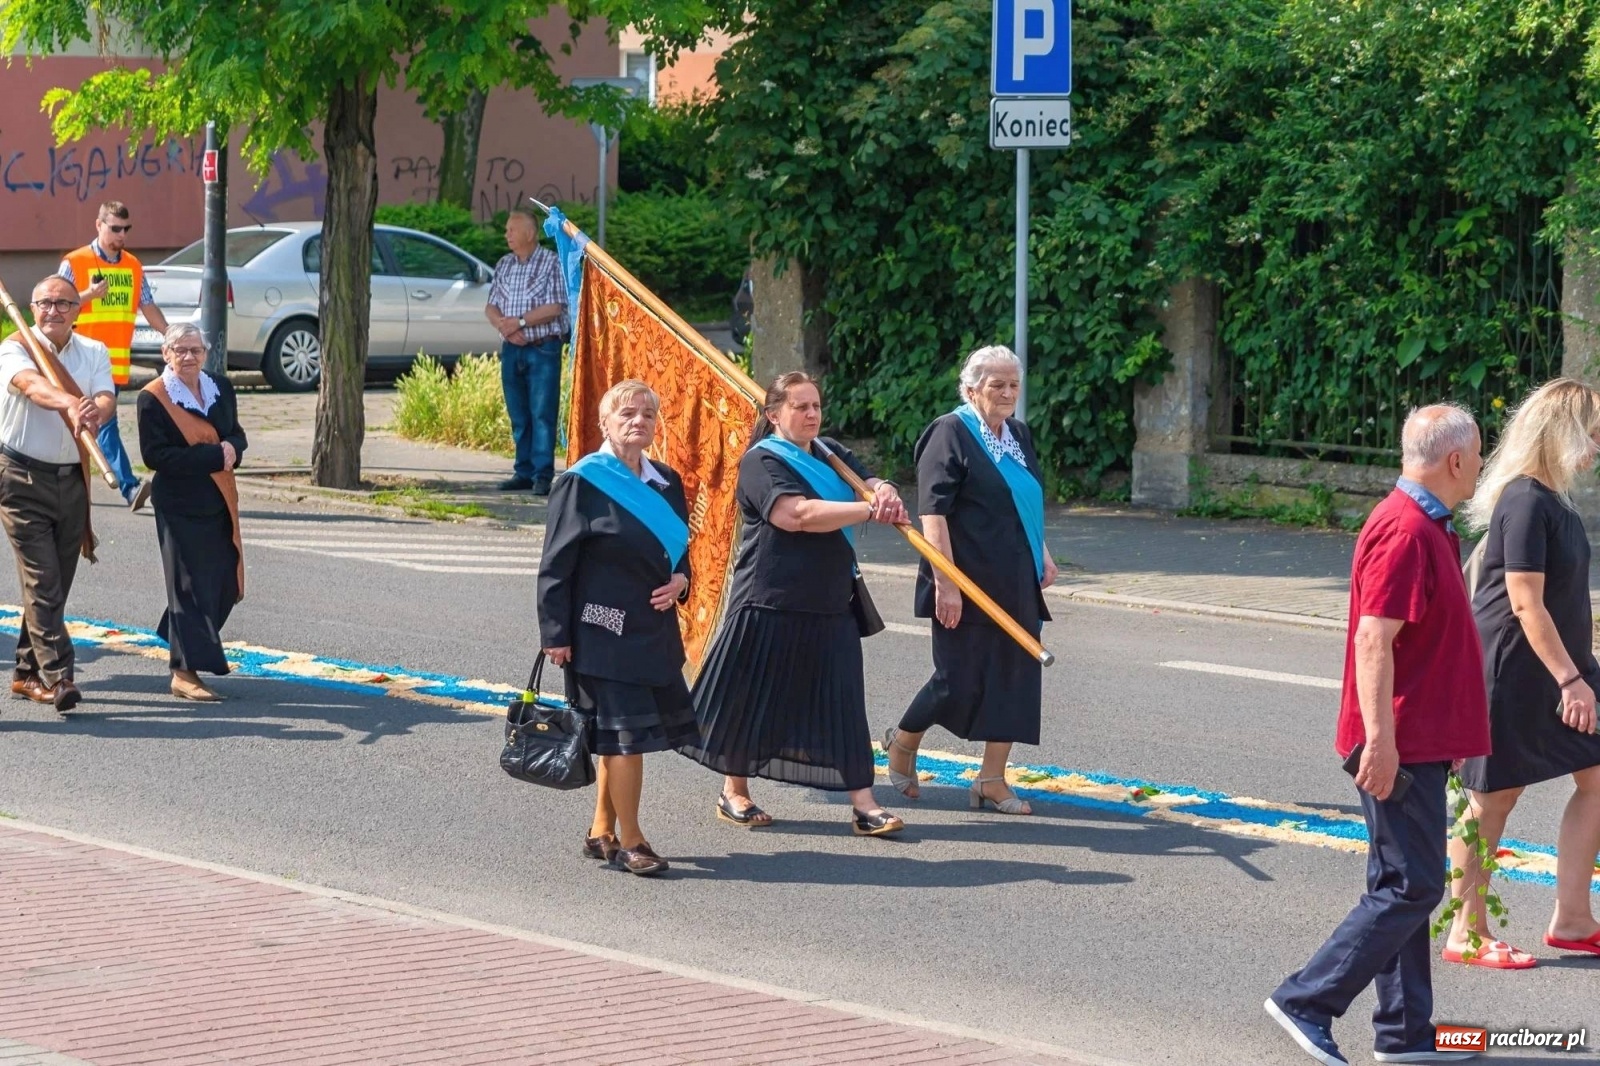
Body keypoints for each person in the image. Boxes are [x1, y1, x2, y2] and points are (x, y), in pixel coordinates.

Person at [1266, 404, 1489, 1066]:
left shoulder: (1426, 524)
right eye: (1478, 453)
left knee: (1402, 885)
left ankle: (1404, 1036)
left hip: (1419, 738)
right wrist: (1383, 742)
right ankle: (1307, 999)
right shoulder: (1408, 530)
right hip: (1401, 741)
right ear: (1454, 461)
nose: (1480, 464)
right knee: (1410, 887)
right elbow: (1374, 639)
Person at [678, 371, 910, 835]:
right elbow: (795, 515)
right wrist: (868, 510)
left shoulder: (827, 451)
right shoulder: (760, 462)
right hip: (771, 598)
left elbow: (869, 480)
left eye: (816, 406)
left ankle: (864, 804)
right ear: (774, 414)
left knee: (844, 699)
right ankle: (734, 791)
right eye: (800, 407)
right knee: (752, 698)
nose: (811, 415)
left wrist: (884, 489)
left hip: (830, 597)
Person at [1442, 379, 1600, 968]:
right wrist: (1571, 679)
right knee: (1494, 798)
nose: (1597, 445)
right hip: (1516, 668)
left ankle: (1573, 919)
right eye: (1591, 432)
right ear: (1560, 433)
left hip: (1560, 663)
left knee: (1598, 778)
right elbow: (1525, 603)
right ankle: (1467, 931)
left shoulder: (1551, 498)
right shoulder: (1526, 499)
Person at [883, 346, 1057, 815]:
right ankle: (903, 741)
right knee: (956, 678)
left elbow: (1025, 498)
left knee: (1015, 677)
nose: (1005, 393)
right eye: (995, 384)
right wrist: (947, 583)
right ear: (971, 388)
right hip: (964, 576)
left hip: (1014, 575)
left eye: (1012, 385)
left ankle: (992, 780)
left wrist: (1041, 552)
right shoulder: (950, 432)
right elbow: (932, 514)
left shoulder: (1017, 433)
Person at [538, 380, 696, 876]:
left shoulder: (667, 482)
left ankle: (600, 829)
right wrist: (555, 634)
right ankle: (633, 841)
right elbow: (555, 565)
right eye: (626, 413)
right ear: (605, 423)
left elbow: (680, 554)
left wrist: (682, 582)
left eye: (648, 413)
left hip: (652, 632)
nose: (638, 421)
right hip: (600, 632)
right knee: (625, 736)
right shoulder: (582, 482)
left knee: (615, 735)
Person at [0, 276, 116, 713]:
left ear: (78, 309)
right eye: (45, 303)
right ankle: (60, 675)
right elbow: (31, 385)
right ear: (32, 308)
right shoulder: (14, 347)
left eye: (63, 303)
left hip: (72, 479)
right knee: (42, 579)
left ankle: (27, 673)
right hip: (20, 478)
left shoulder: (94, 351)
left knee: (55, 584)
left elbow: (106, 395)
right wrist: (69, 402)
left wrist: (94, 408)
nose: (54, 310)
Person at [136, 324, 247, 703]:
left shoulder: (220, 386)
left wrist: (233, 446)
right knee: (188, 587)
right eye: (179, 350)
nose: (188, 357)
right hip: (179, 506)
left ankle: (179, 631)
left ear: (206, 352)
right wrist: (216, 455)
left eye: (195, 350)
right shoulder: (153, 398)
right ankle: (184, 673)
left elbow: (236, 434)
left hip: (218, 498)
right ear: (166, 354)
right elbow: (156, 456)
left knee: (224, 584)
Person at [59, 200, 167, 511]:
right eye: (115, 228)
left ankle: (80, 485)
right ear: (99, 225)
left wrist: (169, 335)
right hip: (76, 359)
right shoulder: (76, 262)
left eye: (126, 229)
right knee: (99, 425)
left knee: (94, 425)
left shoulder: (133, 266)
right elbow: (55, 302)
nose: (121, 235)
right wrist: (88, 295)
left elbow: (147, 305)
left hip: (111, 365)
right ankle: (130, 487)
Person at [485, 209, 568, 496]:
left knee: (542, 413)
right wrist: (504, 326)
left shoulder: (550, 263)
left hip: (542, 348)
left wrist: (519, 322)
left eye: (511, 230)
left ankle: (543, 474)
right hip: (511, 349)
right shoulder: (505, 264)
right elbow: (491, 305)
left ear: (530, 234)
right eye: (506, 229)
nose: (506, 234)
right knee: (518, 413)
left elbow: (556, 307)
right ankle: (523, 471)